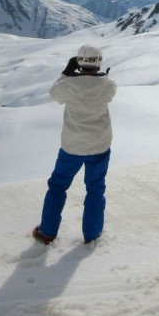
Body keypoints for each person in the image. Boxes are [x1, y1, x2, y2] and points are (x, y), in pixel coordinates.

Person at [33, 44, 117, 245]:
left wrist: (65, 74)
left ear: (78, 62)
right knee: (95, 189)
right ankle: (92, 235)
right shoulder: (108, 85)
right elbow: (108, 92)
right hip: (99, 144)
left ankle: (47, 232)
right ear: (99, 63)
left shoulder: (68, 85)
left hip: (72, 146)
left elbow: (54, 94)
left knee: (57, 186)